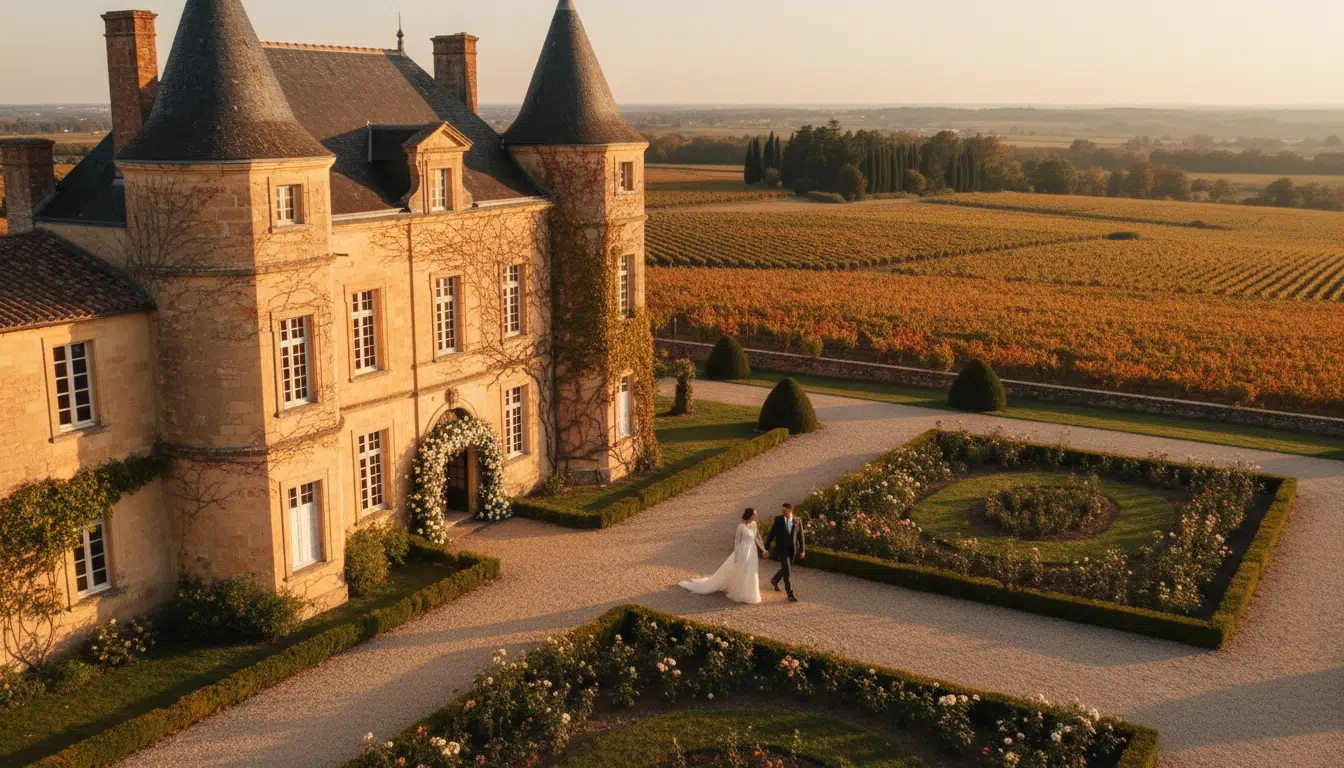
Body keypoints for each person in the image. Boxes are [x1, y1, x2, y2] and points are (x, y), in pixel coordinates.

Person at [679, 508, 766, 604]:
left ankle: (750, 593)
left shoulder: (754, 524)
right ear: (750, 515)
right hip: (743, 551)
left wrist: (764, 550)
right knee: (742, 571)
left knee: (751, 571)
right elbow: (737, 541)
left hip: (752, 551)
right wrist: (736, 555)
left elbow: (758, 538)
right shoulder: (741, 526)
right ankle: (740, 591)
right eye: (754, 514)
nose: (756, 516)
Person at [764, 503, 806, 602]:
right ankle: (790, 594)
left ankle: (775, 580)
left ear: (790, 510)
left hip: (792, 550)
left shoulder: (797, 520)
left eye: (785, 510)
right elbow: (771, 534)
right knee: (787, 571)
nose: (782, 511)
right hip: (782, 550)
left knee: (786, 569)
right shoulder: (778, 520)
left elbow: (801, 537)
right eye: (782, 510)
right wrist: (765, 548)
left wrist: (802, 550)